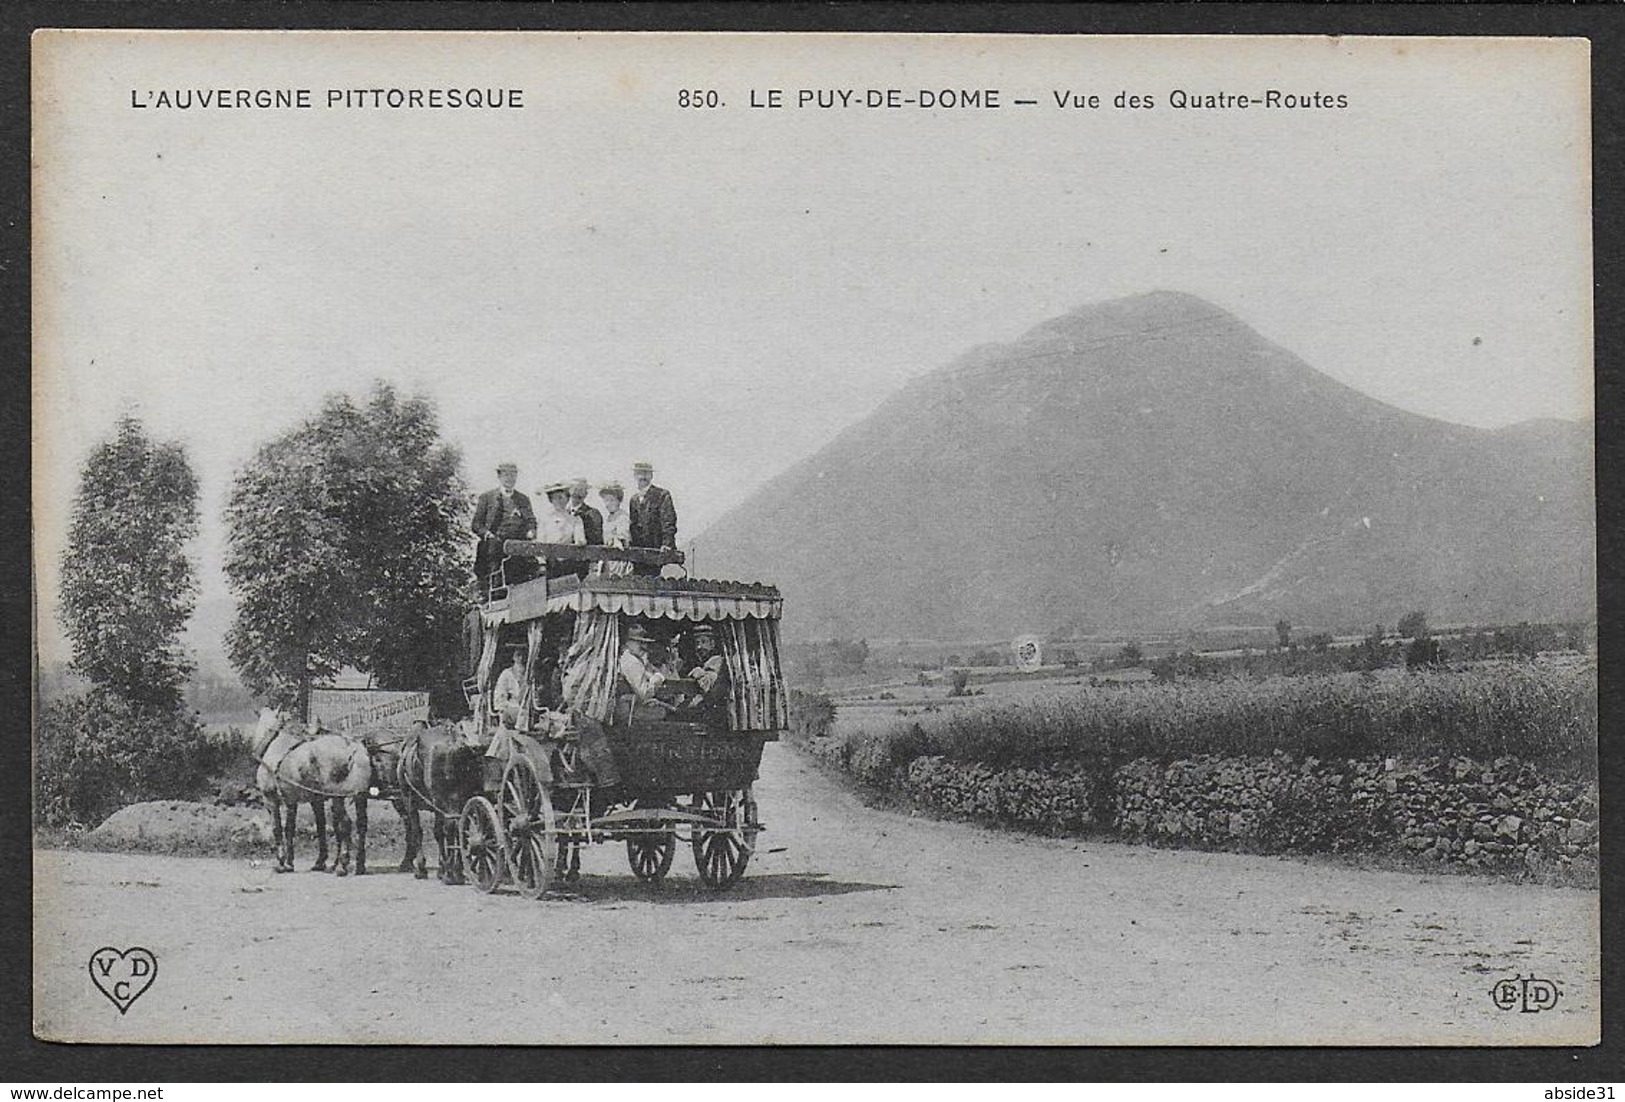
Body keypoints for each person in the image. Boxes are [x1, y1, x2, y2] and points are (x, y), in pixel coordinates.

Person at [471, 463, 536, 591]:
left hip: (517, 546)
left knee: (521, 578)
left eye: (513, 474)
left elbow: (531, 520)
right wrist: (487, 534)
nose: (510, 478)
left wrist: (531, 531)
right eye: (506, 474)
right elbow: (476, 524)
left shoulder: (523, 499)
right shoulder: (487, 497)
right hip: (494, 546)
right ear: (499, 476)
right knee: (494, 581)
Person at [627, 461, 677, 576]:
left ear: (651, 476)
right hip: (637, 550)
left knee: (652, 579)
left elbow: (668, 520)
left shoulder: (662, 495)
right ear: (635, 476)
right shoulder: (633, 500)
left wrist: (667, 543)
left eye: (646, 473)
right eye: (639, 473)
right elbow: (632, 525)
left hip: (655, 548)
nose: (643, 477)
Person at [536, 480, 585, 578]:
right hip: (550, 563)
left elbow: (580, 538)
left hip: (568, 562)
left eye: (562, 497)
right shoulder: (545, 519)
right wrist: (542, 563)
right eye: (555, 498)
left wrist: (580, 542)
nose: (559, 501)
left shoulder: (575, 519)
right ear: (551, 500)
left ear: (567, 499)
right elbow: (540, 541)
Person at [595, 481, 634, 577]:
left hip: (619, 560)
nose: (608, 504)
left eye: (611, 500)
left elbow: (623, 536)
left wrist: (616, 540)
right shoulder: (609, 518)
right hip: (608, 560)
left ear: (618, 500)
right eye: (606, 500)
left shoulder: (623, 517)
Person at [568, 477, 603, 579]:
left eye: (581, 490)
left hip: (584, 564)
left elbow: (597, 541)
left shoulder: (593, 514)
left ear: (586, 494)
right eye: (574, 489)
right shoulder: (563, 513)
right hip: (565, 564)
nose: (577, 493)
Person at [493, 647, 527, 728]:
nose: (521, 658)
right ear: (513, 657)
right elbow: (500, 695)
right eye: (518, 655)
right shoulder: (506, 674)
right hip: (512, 708)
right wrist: (505, 707)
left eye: (524, 655)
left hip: (527, 709)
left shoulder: (529, 674)